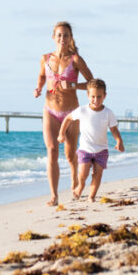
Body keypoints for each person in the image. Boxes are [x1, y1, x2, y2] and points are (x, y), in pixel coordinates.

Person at [34, 21, 94, 206]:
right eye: (59, 35)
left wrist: (74, 85)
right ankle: (54, 195)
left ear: (71, 38)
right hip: (50, 110)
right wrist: (39, 87)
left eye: (66, 35)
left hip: (71, 113)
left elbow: (92, 83)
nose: (62, 38)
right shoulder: (45, 58)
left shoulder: (76, 60)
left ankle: (75, 179)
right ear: (53, 37)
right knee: (52, 150)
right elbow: (43, 75)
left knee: (69, 155)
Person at [58, 79, 125, 202]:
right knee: (83, 174)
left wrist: (119, 141)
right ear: (88, 95)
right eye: (93, 96)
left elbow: (114, 129)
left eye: (99, 97)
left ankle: (91, 196)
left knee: (97, 174)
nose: (96, 100)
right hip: (85, 149)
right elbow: (67, 119)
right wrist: (61, 134)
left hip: (102, 150)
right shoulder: (82, 110)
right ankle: (80, 186)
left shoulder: (108, 113)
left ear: (105, 96)